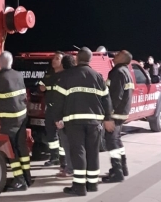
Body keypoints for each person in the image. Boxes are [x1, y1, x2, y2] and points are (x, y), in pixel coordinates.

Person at [51, 47, 113, 196]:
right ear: (90, 60)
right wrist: (108, 119)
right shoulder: (98, 77)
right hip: (95, 123)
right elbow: (107, 100)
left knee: (78, 152)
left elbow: (58, 100)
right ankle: (92, 185)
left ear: (77, 59)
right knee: (93, 152)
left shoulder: (67, 76)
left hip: (75, 122)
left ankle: (79, 187)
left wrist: (57, 118)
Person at [0, 51, 32, 191]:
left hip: (9, 121)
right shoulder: (18, 75)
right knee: (22, 148)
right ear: (11, 62)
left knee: (11, 151)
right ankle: (27, 177)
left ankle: (20, 181)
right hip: (22, 117)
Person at [101, 50, 134, 183]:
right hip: (121, 113)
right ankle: (122, 168)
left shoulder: (117, 72)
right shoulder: (126, 72)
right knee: (117, 140)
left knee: (112, 142)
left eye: (119, 55)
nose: (115, 55)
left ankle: (117, 172)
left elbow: (114, 96)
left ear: (124, 59)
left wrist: (108, 116)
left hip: (114, 114)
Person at [38, 51, 65, 167]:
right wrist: (41, 87)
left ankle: (64, 159)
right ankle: (54, 157)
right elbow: (41, 85)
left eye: (57, 58)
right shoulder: (48, 74)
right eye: (54, 58)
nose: (54, 60)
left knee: (63, 134)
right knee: (51, 134)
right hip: (50, 109)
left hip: (62, 110)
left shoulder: (66, 75)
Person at [56, 54, 76, 178]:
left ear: (63, 64)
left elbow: (59, 101)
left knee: (67, 145)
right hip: (79, 117)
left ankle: (70, 169)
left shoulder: (63, 78)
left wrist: (57, 118)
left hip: (66, 118)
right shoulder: (79, 76)